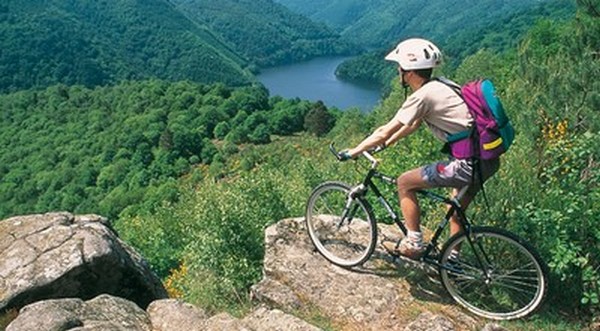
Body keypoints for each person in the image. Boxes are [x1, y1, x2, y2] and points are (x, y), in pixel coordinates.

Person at [338, 38, 500, 259]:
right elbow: (412, 124)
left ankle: (414, 244)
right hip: (487, 160)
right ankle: (452, 261)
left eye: (400, 68)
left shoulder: (422, 96)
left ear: (409, 72)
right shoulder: (443, 84)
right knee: (455, 210)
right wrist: (387, 143)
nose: (398, 72)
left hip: (467, 165)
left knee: (405, 182)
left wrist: (353, 151)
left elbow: (385, 129)